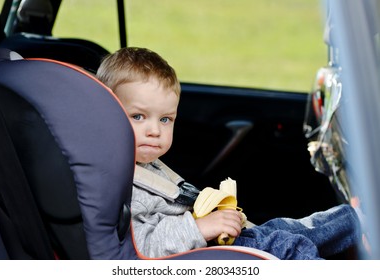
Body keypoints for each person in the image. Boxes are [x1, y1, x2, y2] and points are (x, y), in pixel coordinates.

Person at [96, 47, 363, 260]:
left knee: (295, 228)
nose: (154, 130)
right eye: (138, 116)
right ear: (105, 114)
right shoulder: (116, 182)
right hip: (201, 253)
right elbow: (139, 246)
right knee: (289, 246)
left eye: (165, 119)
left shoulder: (145, 165)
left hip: (216, 239)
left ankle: (357, 220)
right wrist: (200, 228)